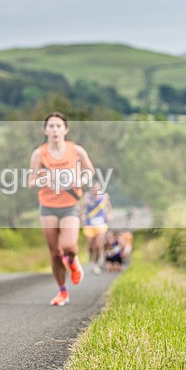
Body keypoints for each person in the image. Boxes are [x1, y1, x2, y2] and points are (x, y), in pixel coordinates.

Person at [28, 112, 95, 306]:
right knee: (55, 252)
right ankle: (62, 292)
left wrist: (80, 180)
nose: (54, 129)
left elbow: (90, 171)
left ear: (65, 129)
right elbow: (31, 182)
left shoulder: (77, 150)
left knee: (68, 247)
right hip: (48, 206)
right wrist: (46, 179)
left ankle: (73, 262)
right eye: (51, 126)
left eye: (58, 126)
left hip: (70, 205)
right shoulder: (39, 154)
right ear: (45, 130)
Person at [81, 181, 112, 274]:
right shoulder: (87, 196)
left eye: (97, 188)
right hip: (89, 224)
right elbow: (81, 208)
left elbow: (108, 207)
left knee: (99, 245)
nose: (96, 190)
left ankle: (97, 264)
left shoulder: (105, 196)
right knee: (90, 246)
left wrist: (109, 215)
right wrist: (82, 215)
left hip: (101, 224)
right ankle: (91, 257)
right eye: (94, 188)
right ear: (91, 189)